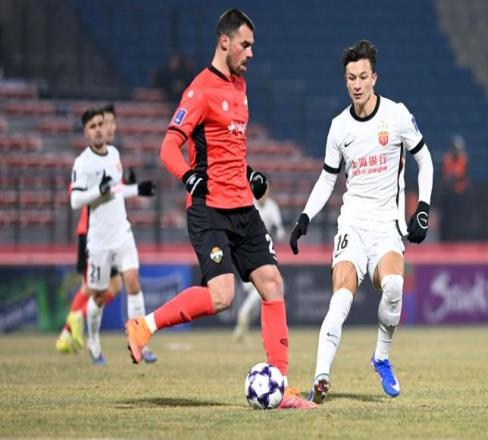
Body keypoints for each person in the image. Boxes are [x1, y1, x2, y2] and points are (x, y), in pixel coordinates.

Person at [125, 9, 316, 409]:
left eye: (253, 46)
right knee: (222, 296)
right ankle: (144, 325)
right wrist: (187, 177)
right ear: (225, 42)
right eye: (245, 45)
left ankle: (280, 386)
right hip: (209, 209)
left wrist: (250, 175)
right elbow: (168, 147)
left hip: (243, 207)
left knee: (272, 283)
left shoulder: (241, 87)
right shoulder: (199, 90)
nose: (251, 53)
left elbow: (228, 152)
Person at [289, 40, 434, 403]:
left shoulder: (396, 115)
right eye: (351, 78)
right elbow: (327, 178)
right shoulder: (339, 127)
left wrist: (423, 208)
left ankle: (381, 357)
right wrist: (305, 216)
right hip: (352, 222)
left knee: (395, 286)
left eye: (363, 77)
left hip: (387, 225)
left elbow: (425, 161)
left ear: (374, 78)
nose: (357, 84)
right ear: (346, 80)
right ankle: (321, 376)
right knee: (341, 296)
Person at [69, 106, 157, 365]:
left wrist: (137, 189)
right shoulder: (82, 163)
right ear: (86, 133)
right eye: (93, 127)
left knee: (133, 283)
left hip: (122, 232)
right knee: (98, 294)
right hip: (99, 241)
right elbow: (75, 200)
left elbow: (115, 190)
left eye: (100, 124)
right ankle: (94, 343)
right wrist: (98, 190)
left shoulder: (115, 154)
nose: (99, 130)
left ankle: (140, 343)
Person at [56, 104, 123, 355]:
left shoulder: (112, 156)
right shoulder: (87, 162)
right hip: (93, 232)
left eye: (110, 123)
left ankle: (69, 330)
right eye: (106, 123)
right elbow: (77, 194)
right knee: (92, 287)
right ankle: (70, 328)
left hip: (110, 232)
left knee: (110, 285)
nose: (109, 128)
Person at [233, 184, 285, 343]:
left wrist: (276, 230)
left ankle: (242, 328)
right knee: (262, 291)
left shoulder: (272, 207)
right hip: (247, 256)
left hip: (264, 256)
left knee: (260, 299)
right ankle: (243, 316)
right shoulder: (249, 204)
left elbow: (280, 233)